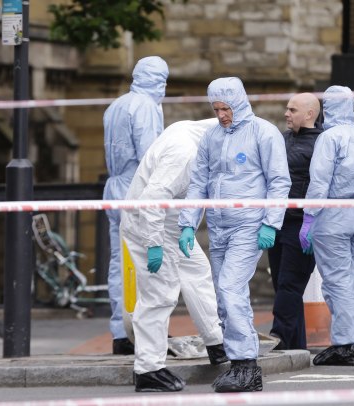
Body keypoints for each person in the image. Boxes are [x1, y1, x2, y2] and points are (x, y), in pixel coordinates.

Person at [178, 77, 291, 392]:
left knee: (230, 288)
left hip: (249, 224)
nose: (221, 114)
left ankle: (246, 365)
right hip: (219, 226)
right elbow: (199, 180)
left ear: (239, 103)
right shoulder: (212, 137)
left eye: (226, 107)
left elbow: (279, 180)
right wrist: (188, 223)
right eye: (216, 108)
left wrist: (271, 222)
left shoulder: (263, 133)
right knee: (224, 297)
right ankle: (239, 362)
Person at [121, 118, 226, 392]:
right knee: (159, 294)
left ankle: (216, 342)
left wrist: (187, 226)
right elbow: (151, 200)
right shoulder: (185, 153)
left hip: (173, 225)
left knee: (197, 274)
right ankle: (148, 369)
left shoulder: (196, 136)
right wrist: (154, 244)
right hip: (149, 225)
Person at [103, 56, 169, 355]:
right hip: (137, 190)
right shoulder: (145, 107)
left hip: (114, 188)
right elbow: (149, 154)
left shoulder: (116, 105)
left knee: (120, 263)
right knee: (146, 264)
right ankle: (142, 332)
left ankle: (121, 331)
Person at [299, 86, 354, 366]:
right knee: (353, 281)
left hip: (334, 216)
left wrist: (308, 218)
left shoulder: (329, 138)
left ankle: (345, 344)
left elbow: (319, 182)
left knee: (337, 282)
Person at [267, 92, 321, 350]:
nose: (286, 114)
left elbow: (322, 185)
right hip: (279, 221)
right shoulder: (282, 139)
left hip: (301, 223)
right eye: (287, 109)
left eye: (293, 110)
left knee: (290, 283)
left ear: (309, 114)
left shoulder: (321, 143)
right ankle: (296, 346)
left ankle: (280, 337)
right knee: (281, 284)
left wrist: (313, 222)